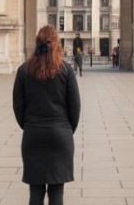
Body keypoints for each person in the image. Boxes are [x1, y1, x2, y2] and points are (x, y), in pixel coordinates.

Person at [13, 25, 81, 205]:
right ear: (56, 43)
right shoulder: (66, 70)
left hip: (33, 135)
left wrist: (29, 125)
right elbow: (75, 108)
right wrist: (65, 129)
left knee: (35, 192)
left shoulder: (23, 70)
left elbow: (18, 107)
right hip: (60, 136)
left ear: (37, 43)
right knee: (57, 193)